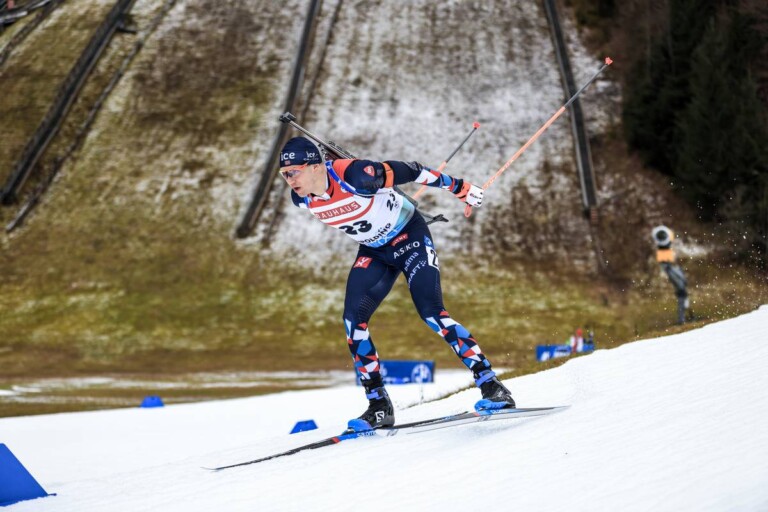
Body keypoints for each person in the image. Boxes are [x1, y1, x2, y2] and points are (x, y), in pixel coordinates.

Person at [279, 136, 515, 430]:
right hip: (374, 251)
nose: (289, 180)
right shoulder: (301, 198)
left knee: (432, 313)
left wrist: (459, 188)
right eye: (284, 174)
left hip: (409, 237)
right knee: (353, 322)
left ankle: (491, 385)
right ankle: (379, 406)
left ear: (316, 166)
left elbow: (413, 170)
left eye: (294, 172)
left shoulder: (356, 175)